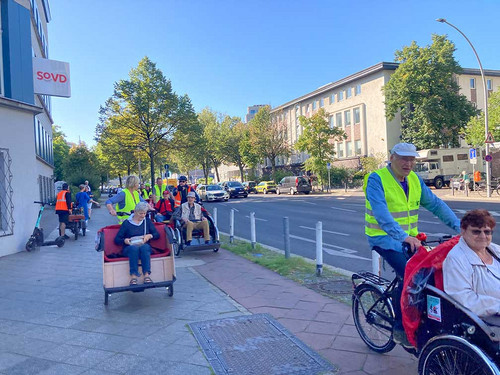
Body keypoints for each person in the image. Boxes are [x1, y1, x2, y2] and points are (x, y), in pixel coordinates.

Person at [364, 142, 460, 343]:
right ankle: (400, 328)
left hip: (410, 240)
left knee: (432, 274)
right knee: (409, 274)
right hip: (384, 238)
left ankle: (423, 319)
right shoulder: (377, 179)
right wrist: (403, 237)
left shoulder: (414, 180)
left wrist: (462, 228)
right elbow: (382, 215)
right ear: (392, 158)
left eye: (411, 159)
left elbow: (435, 205)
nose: (408, 163)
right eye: (403, 158)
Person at [443, 209, 500, 317]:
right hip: (488, 319)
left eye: (487, 232)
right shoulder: (456, 259)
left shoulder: (496, 250)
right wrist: (497, 306)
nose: (483, 236)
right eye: (476, 231)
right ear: (463, 231)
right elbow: (464, 298)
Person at [114, 202, 160, 285]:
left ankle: (146, 275)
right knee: (133, 248)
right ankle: (133, 276)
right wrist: (125, 240)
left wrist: (149, 236)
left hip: (143, 246)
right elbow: (117, 239)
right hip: (130, 247)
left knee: (145, 247)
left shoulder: (147, 221)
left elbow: (157, 235)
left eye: (144, 213)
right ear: (135, 212)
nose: (142, 216)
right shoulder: (127, 223)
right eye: (140, 213)